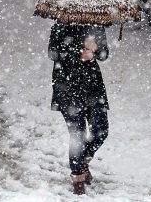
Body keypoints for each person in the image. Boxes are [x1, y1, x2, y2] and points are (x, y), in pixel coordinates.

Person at [48, 22, 110, 195]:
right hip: (67, 87)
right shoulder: (60, 26)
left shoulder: (96, 26)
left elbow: (104, 54)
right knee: (78, 135)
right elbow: (53, 53)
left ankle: (82, 161)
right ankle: (78, 178)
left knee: (101, 130)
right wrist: (80, 51)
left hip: (93, 87)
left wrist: (95, 50)